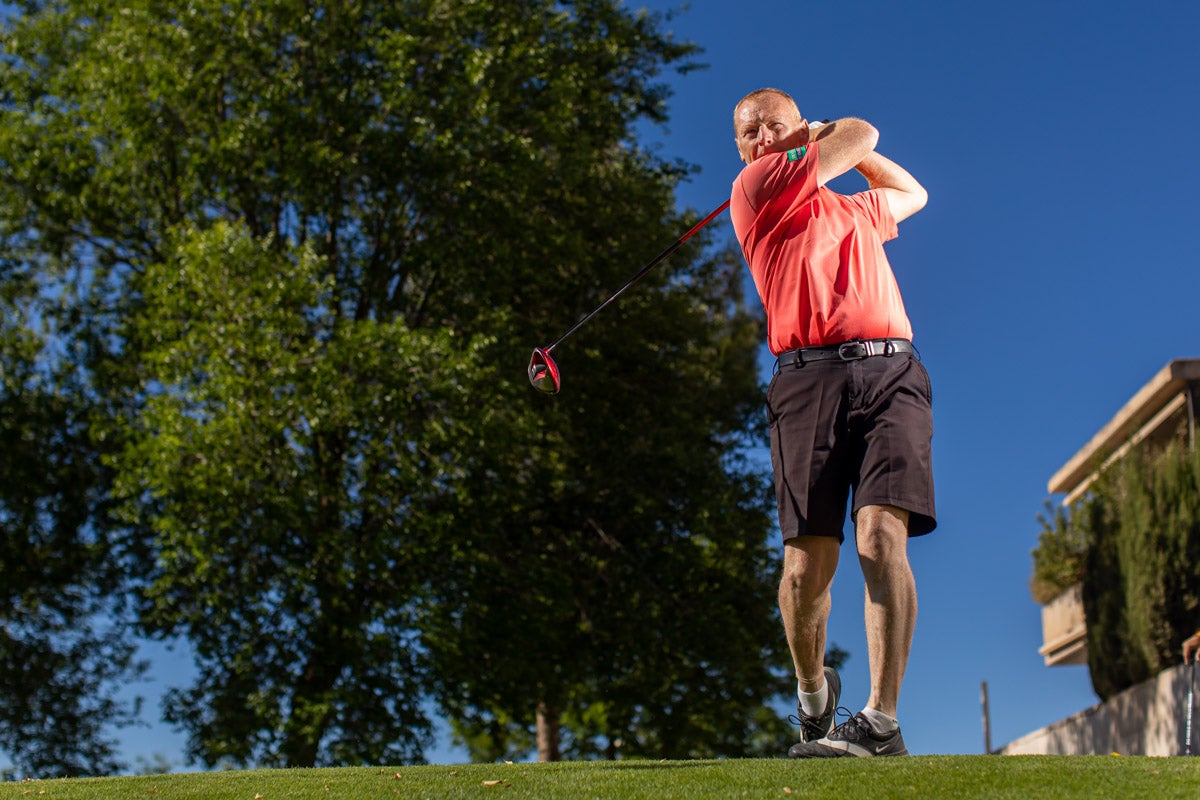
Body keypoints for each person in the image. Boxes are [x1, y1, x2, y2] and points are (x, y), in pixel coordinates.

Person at [728, 88, 935, 758]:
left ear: (800, 132)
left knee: (880, 540)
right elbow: (863, 132)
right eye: (749, 131)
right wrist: (815, 139)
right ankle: (813, 691)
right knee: (803, 570)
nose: (761, 138)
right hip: (806, 379)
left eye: (774, 127)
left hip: (891, 371)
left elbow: (911, 192)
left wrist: (822, 141)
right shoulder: (756, 189)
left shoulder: (852, 210)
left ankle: (881, 721)